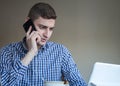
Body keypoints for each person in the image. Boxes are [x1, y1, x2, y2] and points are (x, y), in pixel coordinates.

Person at [0, 2, 87, 86]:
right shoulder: (7, 52)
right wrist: (31, 52)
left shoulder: (61, 52)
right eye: (42, 27)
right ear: (28, 22)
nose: (47, 34)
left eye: (51, 29)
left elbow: (78, 82)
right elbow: (4, 84)